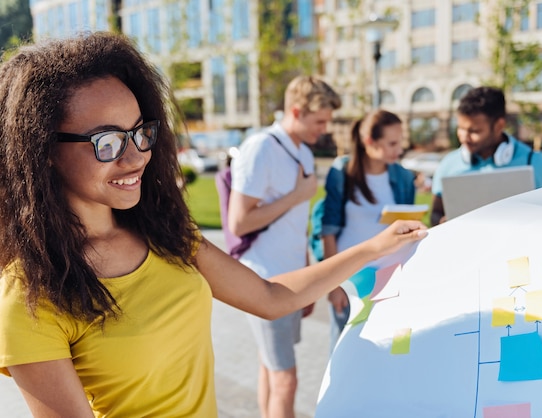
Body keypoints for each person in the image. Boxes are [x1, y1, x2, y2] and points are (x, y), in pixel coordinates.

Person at [0, 33, 428, 418]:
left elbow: (270, 296)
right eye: (106, 142)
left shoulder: (164, 232)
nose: (135, 158)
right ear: (43, 152)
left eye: (140, 133)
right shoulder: (29, 299)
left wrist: (375, 247)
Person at [228, 75, 341, 418]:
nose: (324, 129)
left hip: (291, 279)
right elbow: (238, 222)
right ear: (296, 110)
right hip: (264, 280)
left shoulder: (304, 153)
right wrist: (297, 195)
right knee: (286, 380)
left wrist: (307, 280)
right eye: (319, 121)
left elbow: (297, 226)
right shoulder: (261, 147)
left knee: (271, 368)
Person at [320, 109, 416, 350]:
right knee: (345, 352)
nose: (399, 149)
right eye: (392, 143)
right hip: (350, 279)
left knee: (390, 349)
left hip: (391, 279)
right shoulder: (342, 173)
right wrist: (333, 285)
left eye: (400, 142)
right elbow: (328, 230)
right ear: (369, 142)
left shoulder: (403, 177)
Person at [430, 86, 542, 226]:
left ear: (499, 126)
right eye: (461, 128)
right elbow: (435, 213)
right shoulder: (448, 164)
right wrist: (442, 222)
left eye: (474, 131)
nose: (464, 137)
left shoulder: (536, 164)